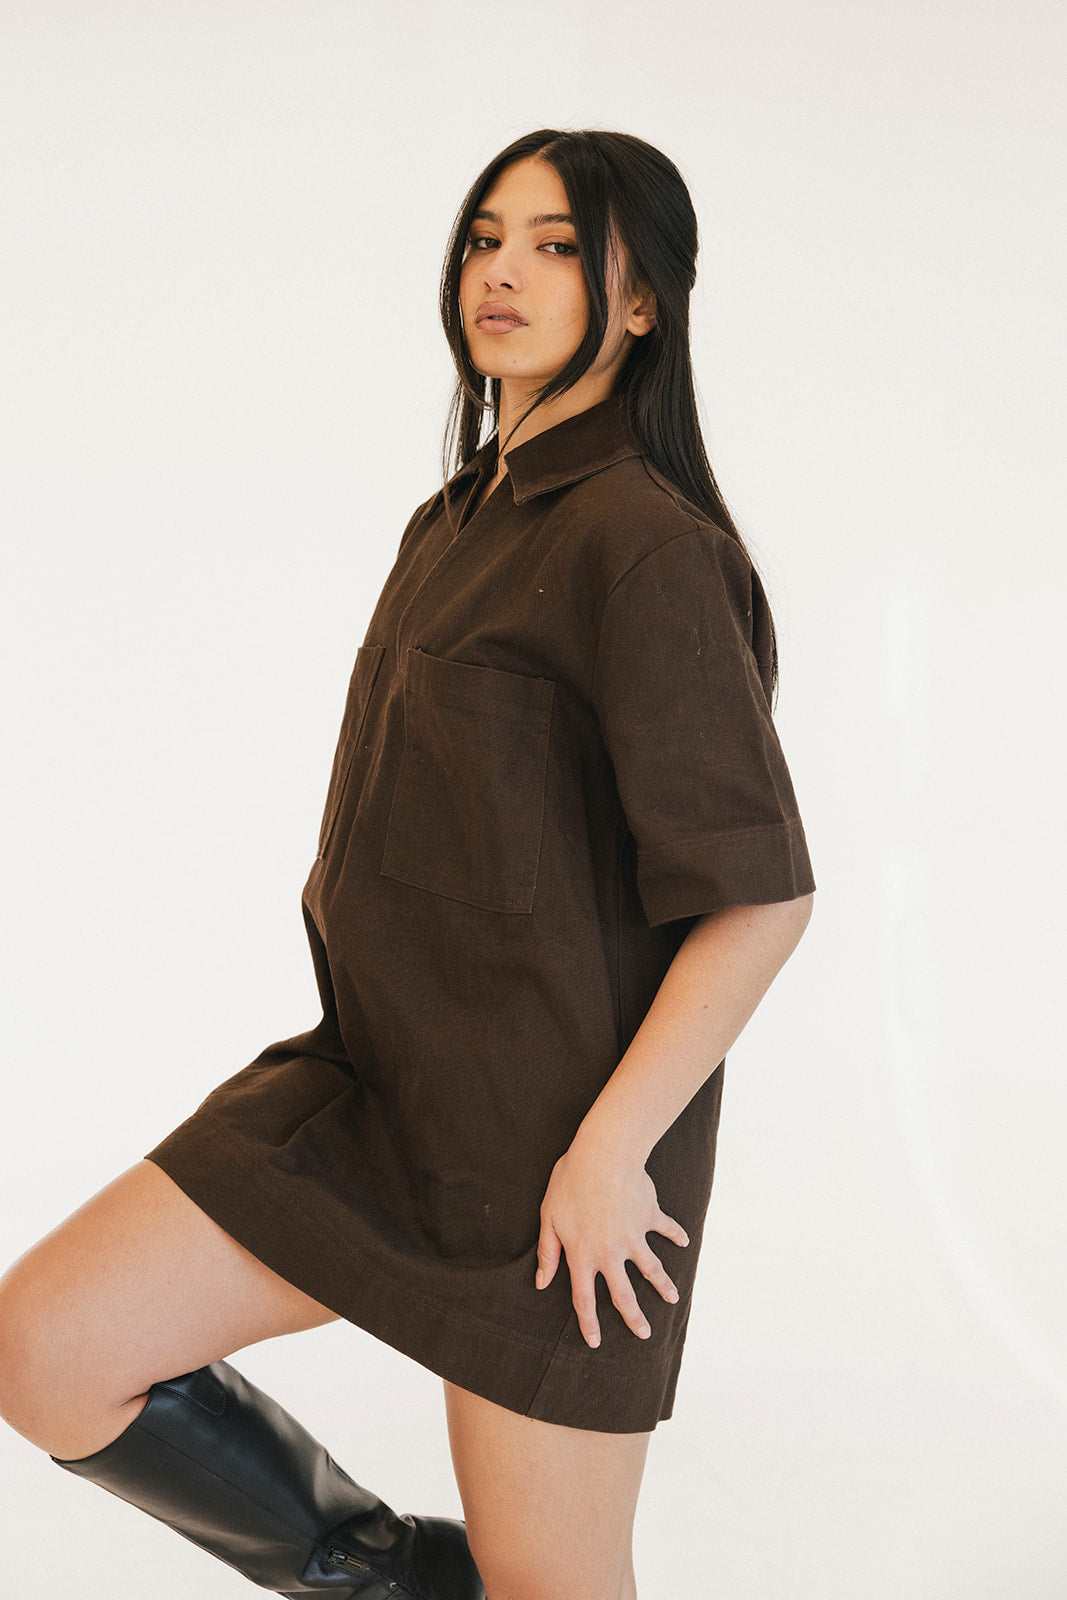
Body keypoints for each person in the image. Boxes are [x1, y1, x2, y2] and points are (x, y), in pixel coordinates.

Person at [0, 128, 815, 1600]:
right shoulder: (455, 520)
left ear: (643, 302)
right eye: (485, 236)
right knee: (48, 1344)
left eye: (557, 246)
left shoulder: (645, 544)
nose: (502, 270)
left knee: (553, 1578)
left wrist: (608, 1155)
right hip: (367, 1094)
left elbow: (761, 898)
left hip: (553, 1169)